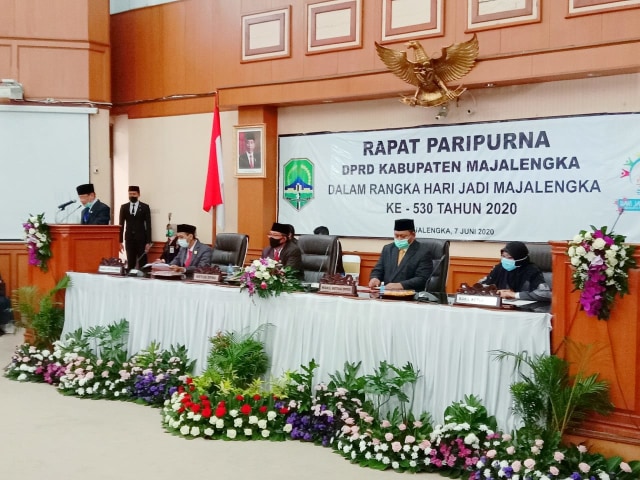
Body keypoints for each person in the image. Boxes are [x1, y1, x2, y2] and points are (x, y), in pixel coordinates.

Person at [368, 218, 434, 291]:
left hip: (409, 295)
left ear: (413, 235)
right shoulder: (388, 249)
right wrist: (375, 278)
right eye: (396, 236)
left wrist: (401, 285)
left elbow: (422, 278)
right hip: (386, 294)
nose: (399, 239)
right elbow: (378, 270)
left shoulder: (423, 251)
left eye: (403, 236)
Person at [480, 241, 551, 302]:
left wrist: (514, 295)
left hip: (526, 310)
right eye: (503, 256)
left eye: (510, 257)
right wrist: (492, 291)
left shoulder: (532, 270)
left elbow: (545, 294)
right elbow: (483, 285)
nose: (505, 260)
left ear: (520, 258)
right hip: (501, 306)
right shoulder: (499, 268)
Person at [118, 186, 152, 270]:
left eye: (134, 194)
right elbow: (121, 225)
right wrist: (120, 241)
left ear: (138, 194)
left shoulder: (145, 207)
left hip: (141, 239)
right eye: (130, 194)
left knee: (143, 263)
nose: (132, 196)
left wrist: (148, 242)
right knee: (130, 263)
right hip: (129, 239)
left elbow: (148, 225)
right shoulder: (124, 207)